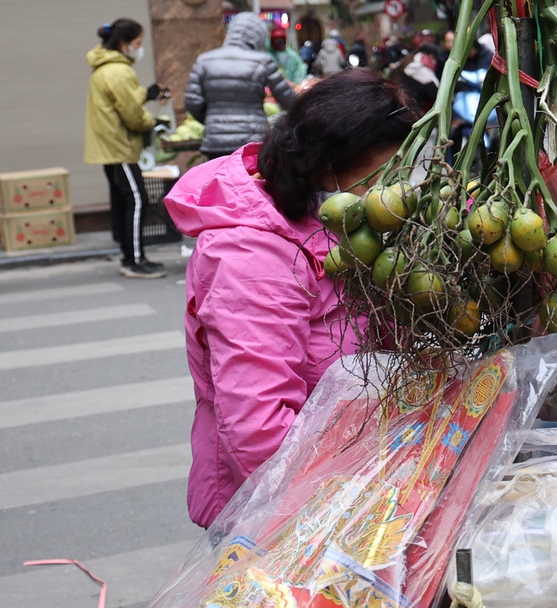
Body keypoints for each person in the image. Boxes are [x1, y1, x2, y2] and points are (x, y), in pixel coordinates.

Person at [163, 70, 418, 527]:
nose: (395, 191)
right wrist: (349, 513)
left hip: (350, 475)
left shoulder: (344, 225)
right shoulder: (249, 255)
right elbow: (258, 429)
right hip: (280, 511)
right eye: (383, 175)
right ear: (327, 166)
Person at [84, 18, 166, 279]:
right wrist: (153, 122)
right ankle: (135, 260)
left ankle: (128, 255)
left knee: (122, 202)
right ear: (124, 44)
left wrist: (146, 94)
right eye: (138, 43)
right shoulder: (119, 71)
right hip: (119, 147)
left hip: (109, 147)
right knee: (137, 199)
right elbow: (132, 114)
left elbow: (124, 100)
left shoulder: (105, 67)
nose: (139, 48)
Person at [186, 12, 299, 159]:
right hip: (252, 142)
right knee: (249, 181)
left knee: (220, 180)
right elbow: (289, 100)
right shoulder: (262, 61)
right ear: (258, 36)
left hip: (215, 143)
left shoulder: (204, 61)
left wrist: (213, 120)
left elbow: (192, 101)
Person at [269, 16, 308, 84]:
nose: (279, 44)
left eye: (281, 41)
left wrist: (295, 84)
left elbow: (300, 71)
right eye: (277, 41)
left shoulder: (292, 55)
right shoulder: (269, 56)